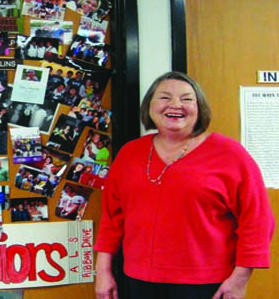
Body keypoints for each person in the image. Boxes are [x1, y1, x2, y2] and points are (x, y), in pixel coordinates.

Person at [94, 71, 275, 299]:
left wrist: (240, 279)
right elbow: (112, 218)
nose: (176, 104)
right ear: (149, 106)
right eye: (165, 97)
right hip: (137, 280)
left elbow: (257, 221)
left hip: (208, 284)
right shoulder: (130, 154)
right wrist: (102, 271)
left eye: (187, 99)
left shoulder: (230, 154)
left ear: (200, 108)